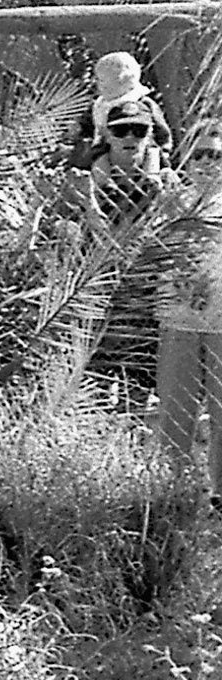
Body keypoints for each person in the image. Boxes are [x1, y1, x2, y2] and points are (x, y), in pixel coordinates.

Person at [157, 129, 222, 503]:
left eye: (215, 155)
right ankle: (171, 493)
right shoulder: (170, 202)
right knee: (174, 413)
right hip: (177, 321)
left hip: (221, 324)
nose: (206, 163)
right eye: (198, 155)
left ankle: (218, 497)